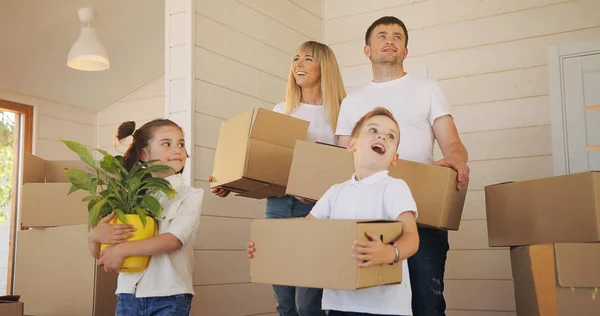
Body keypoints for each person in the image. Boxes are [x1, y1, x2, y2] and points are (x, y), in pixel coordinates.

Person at [334, 16, 470, 316]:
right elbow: (342, 160)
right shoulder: (352, 102)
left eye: (397, 37)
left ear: (405, 50)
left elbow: (453, 144)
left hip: (422, 214)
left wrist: (457, 159)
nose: (390, 41)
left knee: (426, 305)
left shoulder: (427, 89)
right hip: (367, 219)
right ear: (367, 50)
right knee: (367, 309)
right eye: (381, 36)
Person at [209, 40, 346, 316]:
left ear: (325, 66)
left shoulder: (341, 113)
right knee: (285, 303)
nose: (298, 64)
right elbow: (261, 159)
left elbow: (344, 167)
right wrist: (229, 180)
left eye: (308, 59)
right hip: (277, 206)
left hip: (316, 210)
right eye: (296, 59)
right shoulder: (281, 108)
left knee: (307, 305)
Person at [249, 108, 420, 316]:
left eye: (390, 136)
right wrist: (268, 246)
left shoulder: (394, 187)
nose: (382, 136)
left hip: (384, 307)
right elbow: (303, 230)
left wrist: (390, 252)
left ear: (395, 158)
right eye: (373, 130)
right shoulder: (336, 191)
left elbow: (412, 237)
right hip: (340, 304)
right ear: (351, 144)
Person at [88, 119, 204, 316]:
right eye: (167, 143)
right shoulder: (125, 196)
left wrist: (123, 249)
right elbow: (101, 254)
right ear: (144, 154)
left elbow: (173, 240)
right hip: (127, 293)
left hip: (170, 294)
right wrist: (94, 237)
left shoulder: (190, 195)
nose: (177, 149)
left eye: (181, 144)